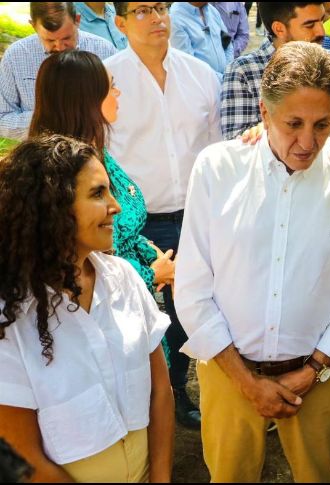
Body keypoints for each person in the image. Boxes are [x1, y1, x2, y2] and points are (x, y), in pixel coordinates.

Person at [175, 41, 330, 483]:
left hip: (318, 377)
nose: (307, 142)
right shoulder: (216, 168)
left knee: (318, 475)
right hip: (228, 373)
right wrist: (245, 382)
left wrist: (314, 368)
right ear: (264, 113)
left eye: (322, 124)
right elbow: (192, 287)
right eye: (294, 123)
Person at [0, 135, 174, 482]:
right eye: (98, 194)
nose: (116, 206)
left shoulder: (123, 277)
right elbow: (23, 456)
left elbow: (161, 394)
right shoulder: (10, 316)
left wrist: (160, 478)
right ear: (53, 206)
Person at [107, 1, 222, 430]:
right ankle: (147, 399)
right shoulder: (109, 79)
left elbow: (215, 151)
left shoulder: (201, 74)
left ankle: (177, 389)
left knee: (193, 311)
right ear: (119, 23)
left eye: (160, 7)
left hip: (196, 215)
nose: (156, 17)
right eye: (141, 11)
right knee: (147, 317)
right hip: (140, 222)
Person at [28, 50, 175, 296]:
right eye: (111, 87)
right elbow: (81, 263)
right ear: (87, 99)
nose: (117, 93)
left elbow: (125, 233)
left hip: (131, 296)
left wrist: (152, 253)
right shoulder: (63, 172)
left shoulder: (97, 154)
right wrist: (151, 273)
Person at [220, 2, 330, 149]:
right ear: (279, 29)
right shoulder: (243, 73)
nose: (321, 31)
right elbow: (239, 150)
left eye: (322, 20)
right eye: (309, 25)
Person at [0, 2, 116, 140]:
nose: (60, 47)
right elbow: (3, 118)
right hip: (41, 155)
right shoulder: (16, 56)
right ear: (33, 26)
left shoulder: (104, 51)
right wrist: (49, 119)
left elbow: (123, 107)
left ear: (77, 20)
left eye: (67, 38)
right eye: (50, 40)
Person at [169, 2, 234, 82]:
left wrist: (229, 73)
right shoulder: (175, 18)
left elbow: (227, 44)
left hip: (226, 82)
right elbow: (189, 66)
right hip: (203, 88)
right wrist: (223, 79)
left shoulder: (212, 10)